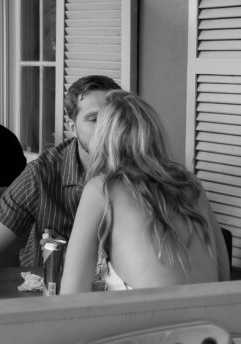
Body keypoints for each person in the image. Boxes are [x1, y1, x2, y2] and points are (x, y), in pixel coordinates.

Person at [0, 74, 121, 294]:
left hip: (117, 298)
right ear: (72, 126)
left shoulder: (140, 172)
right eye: (94, 119)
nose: (105, 129)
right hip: (45, 296)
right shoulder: (41, 174)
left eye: (111, 119)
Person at [59, 91, 230, 293]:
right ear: (154, 133)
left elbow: (71, 295)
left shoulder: (101, 189)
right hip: (211, 320)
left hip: (150, 322)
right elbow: (224, 275)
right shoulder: (190, 184)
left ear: (103, 137)